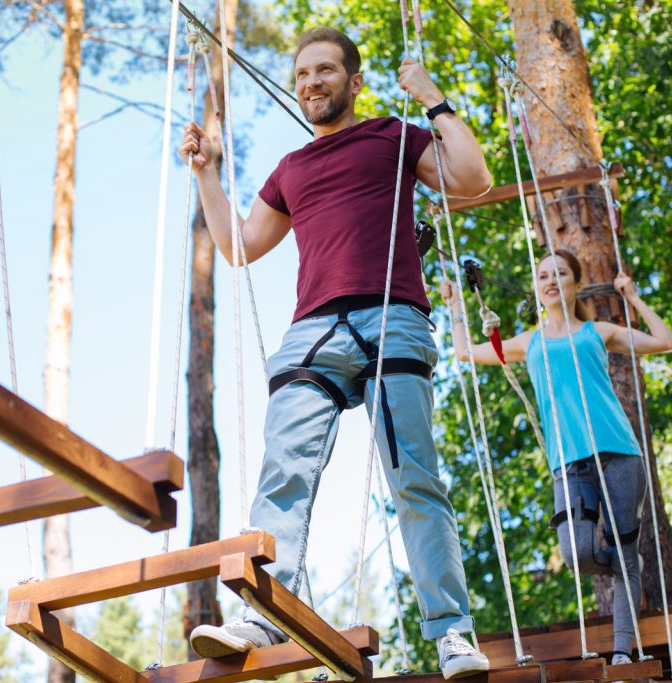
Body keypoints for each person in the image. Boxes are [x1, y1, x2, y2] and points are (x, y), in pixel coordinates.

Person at [179, 26, 493, 678]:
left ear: (353, 81)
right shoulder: (291, 169)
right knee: (282, 475)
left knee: (416, 482)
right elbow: (238, 245)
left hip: (392, 319)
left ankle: (453, 633)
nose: (311, 84)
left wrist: (430, 95)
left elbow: (471, 176)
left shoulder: (391, 136)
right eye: (301, 75)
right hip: (312, 332)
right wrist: (207, 172)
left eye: (324, 71)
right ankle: (259, 614)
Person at [441, 250, 672, 665]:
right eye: (544, 274)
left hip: (620, 454)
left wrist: (634, 297)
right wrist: (455, 307)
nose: (552, 280)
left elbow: (667, 342)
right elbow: (466, 353)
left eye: (561, 273)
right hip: (568, 464)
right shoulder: (527, 342)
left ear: (574, 282)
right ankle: (627, 565)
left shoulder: (597, 332)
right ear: (537, 286)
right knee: (577, 554)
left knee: (624, 559)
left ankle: (623, 651)